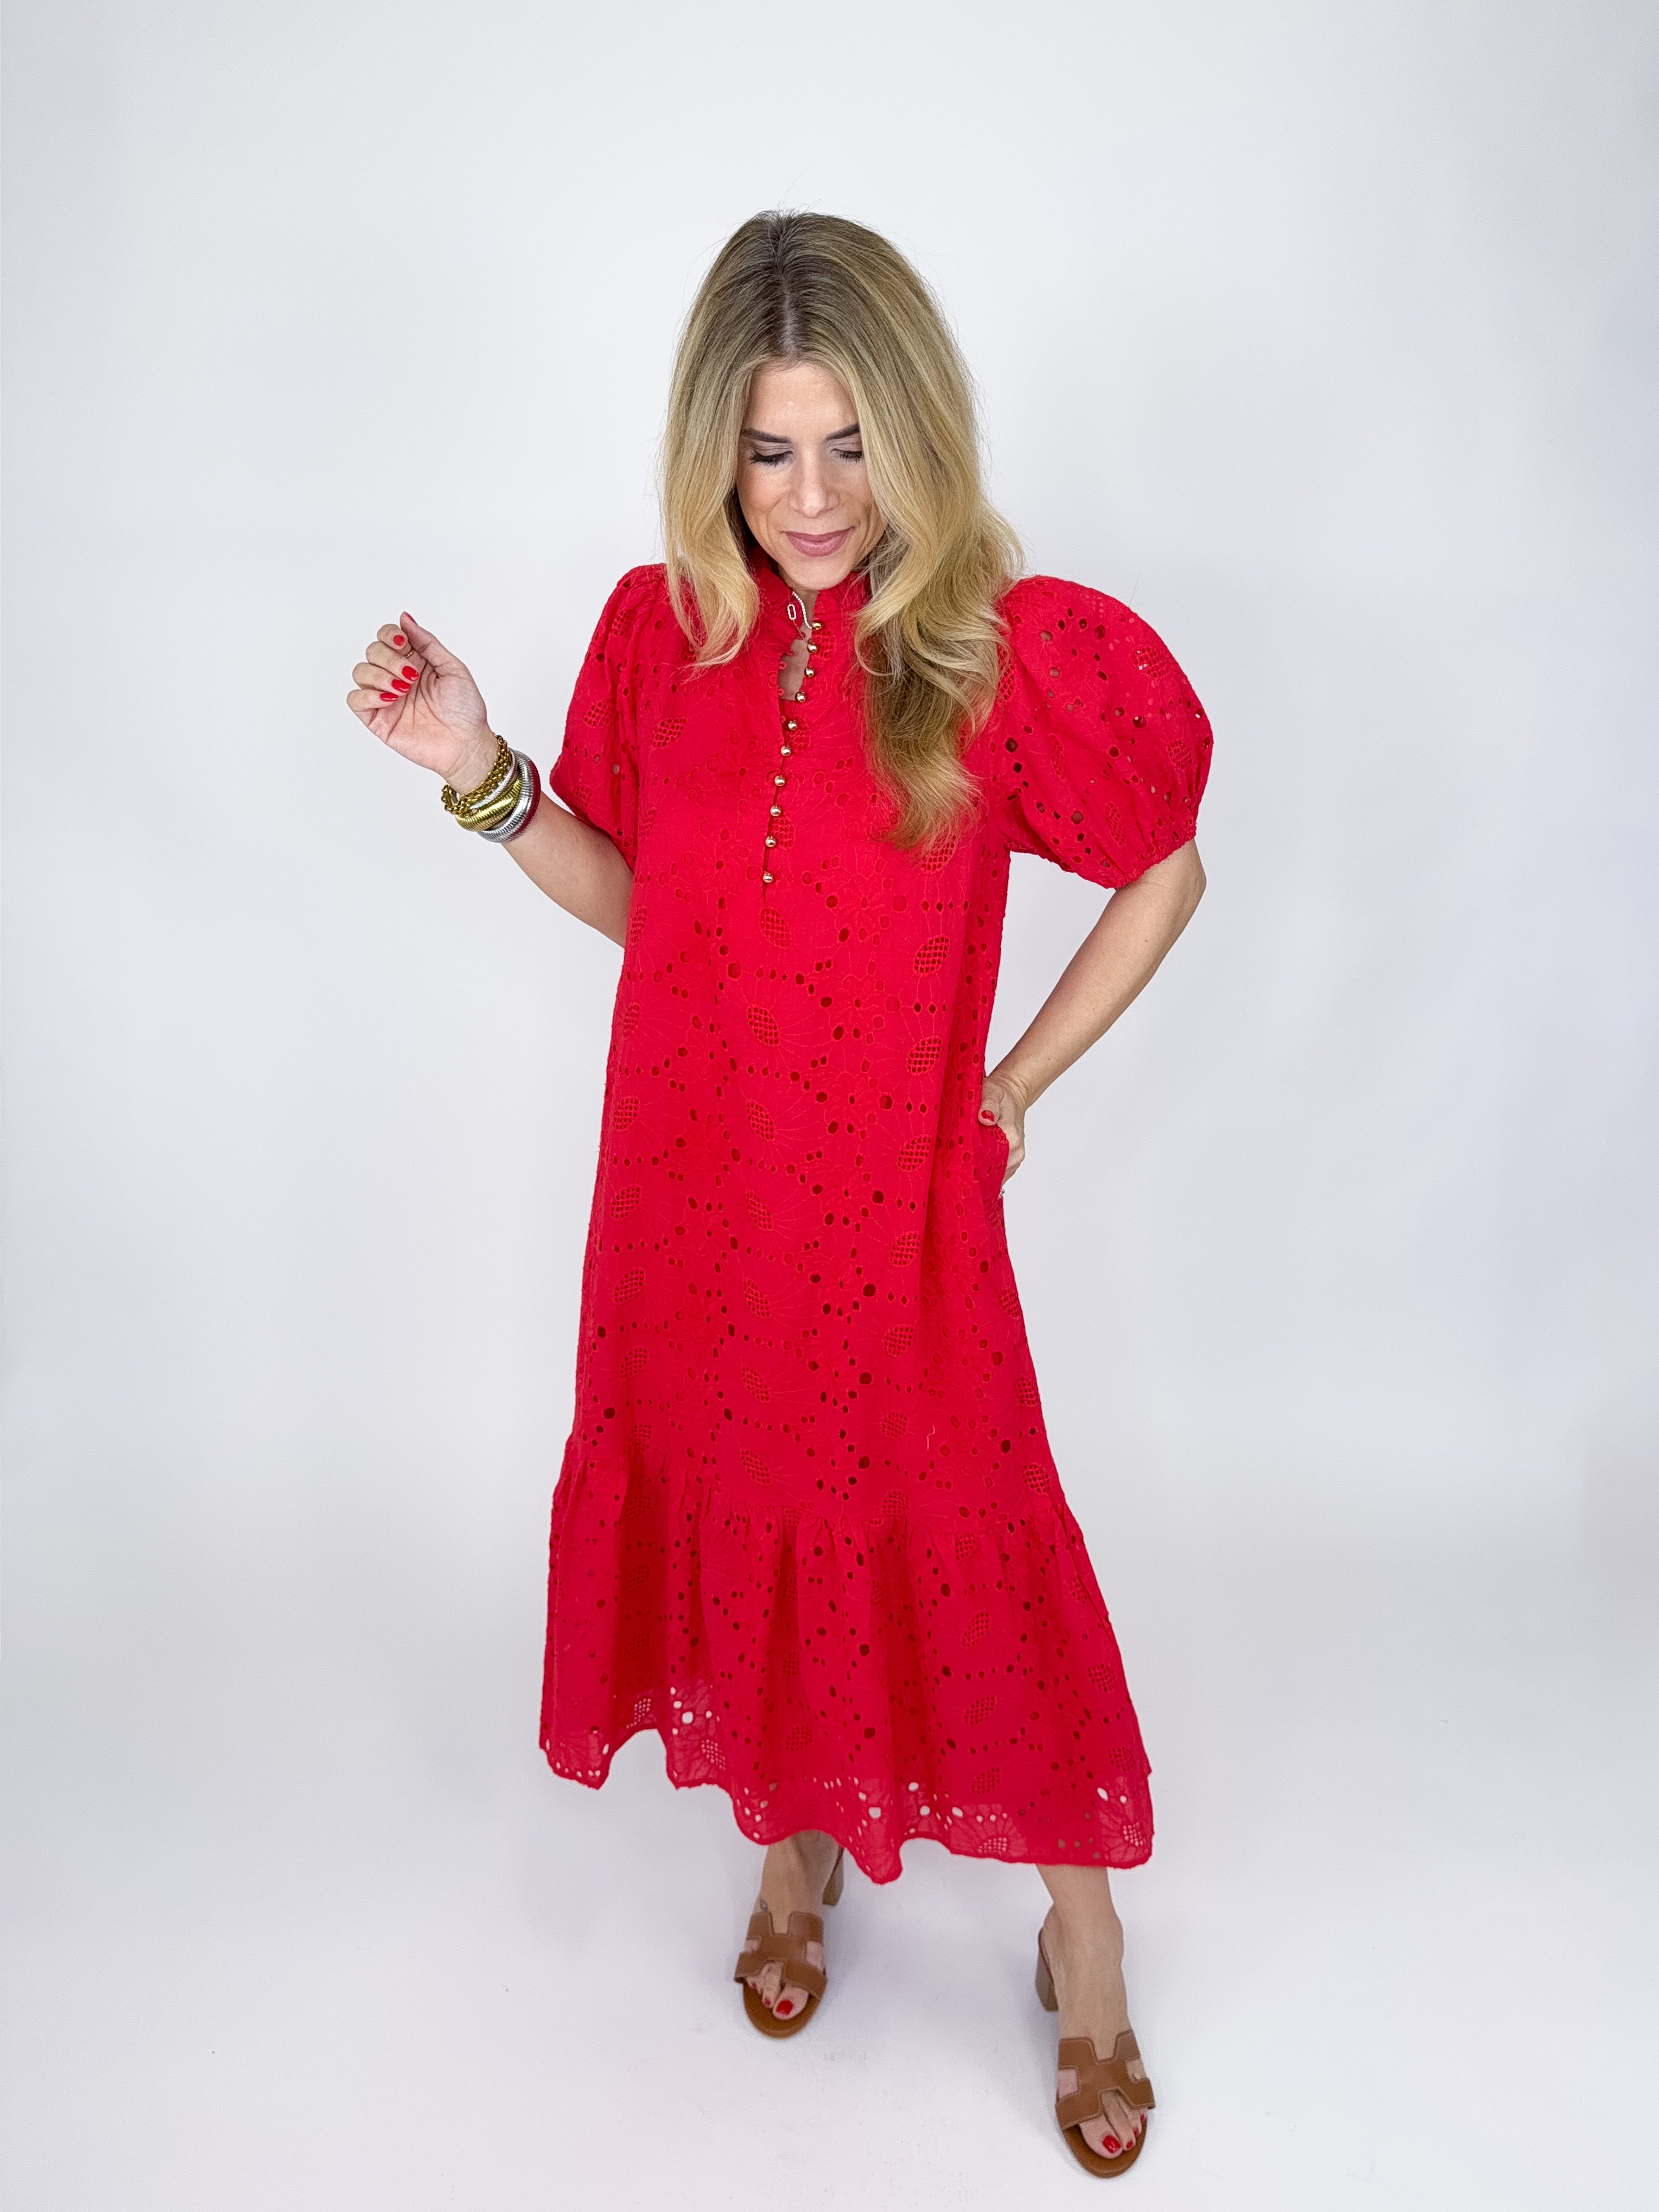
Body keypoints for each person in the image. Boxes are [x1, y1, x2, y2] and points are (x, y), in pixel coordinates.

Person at [346, 211, 1210, 2178]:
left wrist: (1010, 1086)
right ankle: (796, 1840)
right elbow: (647, 909)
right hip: (696, 1185)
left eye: (848, 445)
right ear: (712, 450)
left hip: (897, 1203)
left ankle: (1083, 1937)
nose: (811, 497)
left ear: (915, 433)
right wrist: (479, 767)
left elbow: (1166, 866)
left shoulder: (1003, 649)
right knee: (757, 1494)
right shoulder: (664, 634)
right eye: (768, 450)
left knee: (968, 1527)